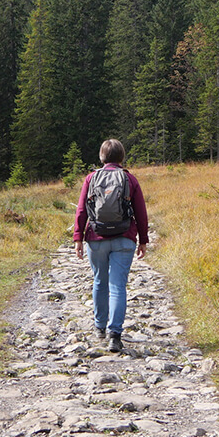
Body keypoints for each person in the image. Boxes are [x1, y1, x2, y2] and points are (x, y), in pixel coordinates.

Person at [73, 139, 148, 353]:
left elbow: (81, 210)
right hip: (124, 237)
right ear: (122, 157)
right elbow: (141, 212)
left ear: (102, 157)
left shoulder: (91, 178)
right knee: (118, 286)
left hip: (96, 238)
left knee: (99, 281)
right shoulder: (129, 179)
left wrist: (78, 237)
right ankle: (115, 335)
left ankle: (99, 328)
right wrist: (143, 239)